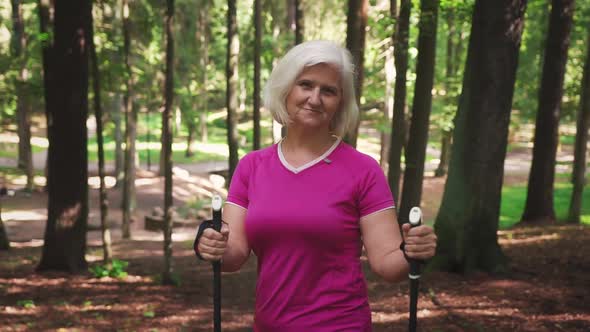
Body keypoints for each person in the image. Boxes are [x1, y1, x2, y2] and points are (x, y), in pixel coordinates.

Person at [195, 40, 437, 331]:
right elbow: (232, 255)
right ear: (286, 89)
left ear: (340, 102)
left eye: (329, 90)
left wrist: (413, 251)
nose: (315, 98)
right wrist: (210, 241)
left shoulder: (363, 170)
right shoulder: (252, 167)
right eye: (305, 85)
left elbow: (387, 262)